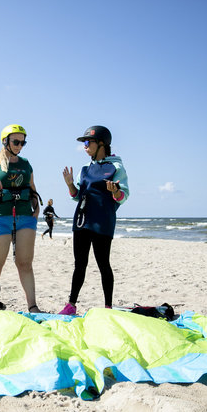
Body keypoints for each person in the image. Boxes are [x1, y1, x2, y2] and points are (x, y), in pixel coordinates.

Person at [58, 125, 129, 315]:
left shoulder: (115, 167)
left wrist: (116, 191)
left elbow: (124, 195)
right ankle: (71, 305)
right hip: (81, 221)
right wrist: (70, 184)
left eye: (88, 142)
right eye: (84, 143)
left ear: (101, 144)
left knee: (103, 264)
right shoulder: (85, 169)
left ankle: (108, 307)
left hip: (102, 222)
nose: (85, 146)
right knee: (79, 264)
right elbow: (77, 195)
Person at [0, 124, 42, 312]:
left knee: (25, 263)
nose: (20, 145)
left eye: (23, 142)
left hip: (25, 218)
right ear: (5, 141)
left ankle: (33, 306)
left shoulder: (25, 164)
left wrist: (36, 210)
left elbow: (32, 188)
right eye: (16, 141)